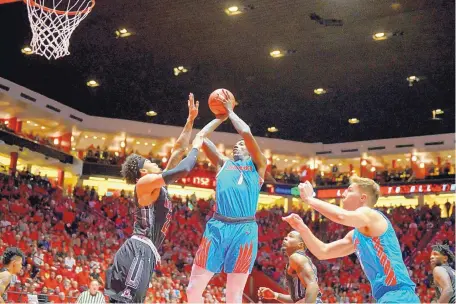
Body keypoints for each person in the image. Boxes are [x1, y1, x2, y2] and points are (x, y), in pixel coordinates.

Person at [105, 94, 207, 303]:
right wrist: (196, 147)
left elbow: (178, 151)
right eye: (150, 161)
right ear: (143, 171)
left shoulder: (155, 185)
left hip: (146, 252)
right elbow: (185, 168)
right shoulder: (143, 184)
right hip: (139, 250)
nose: (155, 162)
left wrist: (190, 121)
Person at [283, 177, 420, 303]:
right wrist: (302, 228)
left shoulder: (370, 214)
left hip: (399, 295)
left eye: (349, 190)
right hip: (387, 297)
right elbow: (323, 252)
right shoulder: (355, 235)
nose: (343, 195)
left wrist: (310, 199)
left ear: (363, 198)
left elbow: (341, 217)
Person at [186, 90, 267, 303]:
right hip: (218, 227)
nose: (237, 145)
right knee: (193, 289)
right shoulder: (223, 164)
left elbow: (246, 133)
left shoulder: (258, 165)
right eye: (235, 145)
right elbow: (200, 138)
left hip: (245, 230)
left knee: (234, 295)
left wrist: (230, 111)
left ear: (249, 151)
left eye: (240, 145)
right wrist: (217, 118)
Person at [258, 231, 322, 303]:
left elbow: (313, 286)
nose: (285, 238)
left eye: (291, 236)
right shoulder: (296, 260)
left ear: (300, 245)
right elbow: (297, 299)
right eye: (286, 236)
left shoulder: (296, 257)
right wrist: (275, 295)